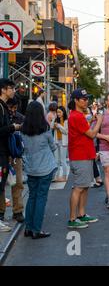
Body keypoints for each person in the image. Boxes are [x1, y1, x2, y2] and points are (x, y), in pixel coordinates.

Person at [67, 89, 103, 229]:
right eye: (83, 99)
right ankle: (72, 218)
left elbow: (84, 129)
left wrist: (92, 120)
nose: (86, 101)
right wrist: (98, 121)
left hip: (85, 154)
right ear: (76, 100)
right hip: (79, 156)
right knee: (78, 188)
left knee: (85, 186)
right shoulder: (76, 116)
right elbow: (92, 134)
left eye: (86, 98)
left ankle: (81, 214)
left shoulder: (79, 115)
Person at [21, 102, 57, 239]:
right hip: (45, 168)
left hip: (31, 168)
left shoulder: (23, 130)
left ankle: (28, 228)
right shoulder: (45, 128)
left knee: (32, 197)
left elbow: (23, 148)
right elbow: (53, 146)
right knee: (41, 198)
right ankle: (36, 229)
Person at [0, 79, 21, 232]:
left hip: (5, 152)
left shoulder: (3, 107)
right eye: (11, 88)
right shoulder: (0, 107)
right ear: (3, 89)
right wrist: (12, 127)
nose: (13, 90)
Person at [51, 106, 69, 182]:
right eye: (57, 112)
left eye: (60, 112)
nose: (58, 114)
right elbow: (51, 127)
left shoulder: (66, 121)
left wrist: (59, 126)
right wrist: (54, 119)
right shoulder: (56, 120)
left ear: (63, 112)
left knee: (63, 160)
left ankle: (64, 176)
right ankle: (57, 176)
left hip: (63, 142)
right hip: (56, 141)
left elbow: (66, 131)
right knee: (56, 160)